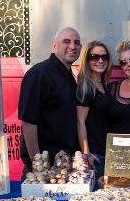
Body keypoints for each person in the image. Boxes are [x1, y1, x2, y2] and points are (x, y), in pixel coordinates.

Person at [18, 27, 82, 179]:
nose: (72, 46)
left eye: (77, 42)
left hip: (63, 165)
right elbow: (28, 122)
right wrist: (37, 165)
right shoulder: (39, 74)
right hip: (44, 169)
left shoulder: (68, 75)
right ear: (55, 46)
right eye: (66, 41)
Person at [76, 41, 113, 179]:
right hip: (95, 155)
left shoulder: (104, 85)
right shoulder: (86, 87)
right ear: (87, 60)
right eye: (95, 57)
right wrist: (87, 154)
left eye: (104, 57)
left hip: (107, 151)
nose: (100, 60)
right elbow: (80, 122)